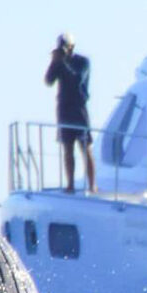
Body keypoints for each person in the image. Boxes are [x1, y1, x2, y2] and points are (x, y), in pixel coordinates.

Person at [44, 33, 96, 194]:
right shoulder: (59, 63)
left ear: (72, 46)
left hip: (79, 109)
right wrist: (54, 62)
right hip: (64, 110)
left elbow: (77, 78)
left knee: (85, 147)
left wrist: (64, 62)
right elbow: (48, 81)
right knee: (67, 148)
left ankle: (92, 185)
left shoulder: (83, 61)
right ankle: (70, 184)